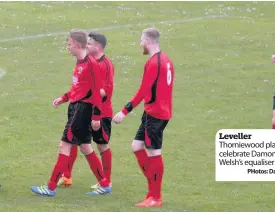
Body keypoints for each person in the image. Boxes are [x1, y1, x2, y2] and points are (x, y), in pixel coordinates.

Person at [30, 29, 112, 197]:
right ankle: (104, 184)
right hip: (76, 107)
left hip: (82, 110)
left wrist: (96, 117)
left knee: (64, 145)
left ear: (76, 45)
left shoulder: (91, 65)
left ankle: (51, 187)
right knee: (85, 147)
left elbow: (97, 92)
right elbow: (78, 88)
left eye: (69, 45)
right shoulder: (80, 62)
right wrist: (64, 98)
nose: (68, 48)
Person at [113, 28, 174, 208]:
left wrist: (123, 112)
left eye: (141, 40)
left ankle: (155, 197)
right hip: (156, 111)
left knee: (154, 153)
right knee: (136, 146)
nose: (140, 43)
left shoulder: (153, 63)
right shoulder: (166, 59)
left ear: (148, 41)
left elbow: (143, 91)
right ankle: (152, 190)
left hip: (155, 114)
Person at [58, 32, 115, 190]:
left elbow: (107, 89)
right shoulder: (86, 63)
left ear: (98, 47)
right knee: (74, 141)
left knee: (101, 145)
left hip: (101, 112)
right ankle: (67, 176)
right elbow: (79, 88)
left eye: (89, 44)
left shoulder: (105, 64)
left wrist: (91, 97)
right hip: (84, 109)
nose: (86, 46)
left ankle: (106, 181)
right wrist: (67, 98)